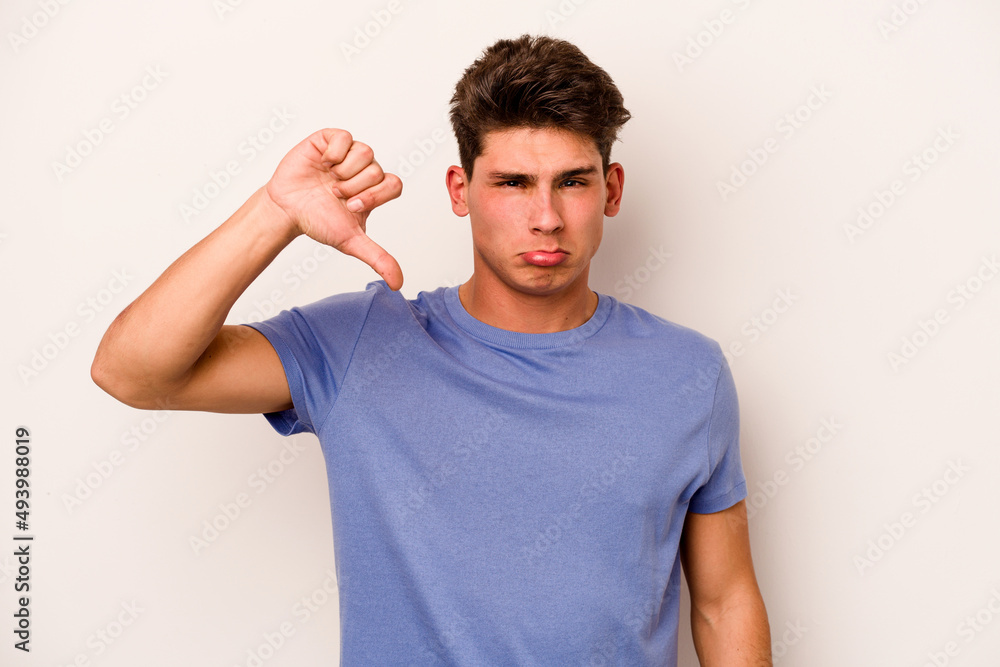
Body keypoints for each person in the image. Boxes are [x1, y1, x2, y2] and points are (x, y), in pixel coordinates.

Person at [92, 34, 770, 666]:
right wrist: (276, 213)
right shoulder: (361, 345)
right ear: (460, 191)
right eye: (512, 183)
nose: (545, 216)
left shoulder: (688, 373)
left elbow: (723, 600)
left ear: (610, 190)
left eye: (572, 180)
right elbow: (131, 369)